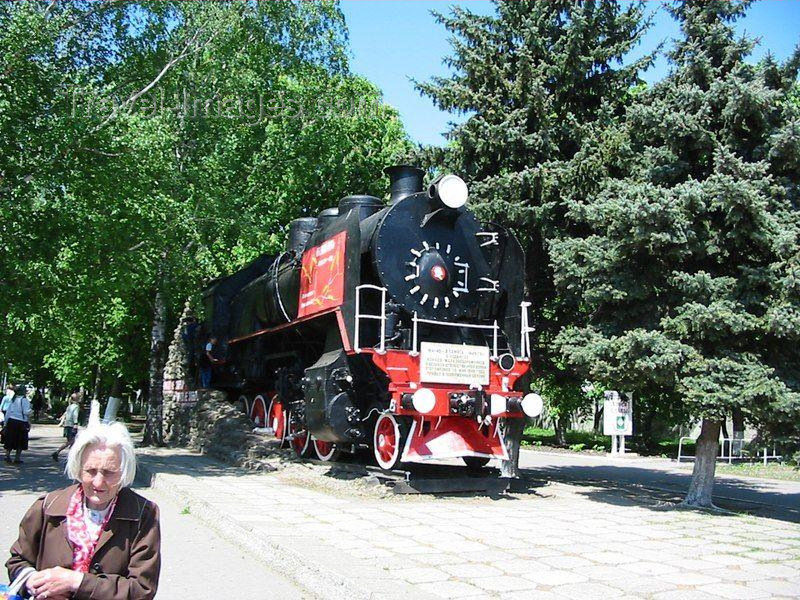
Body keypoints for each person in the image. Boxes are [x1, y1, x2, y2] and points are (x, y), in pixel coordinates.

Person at [7, 421, 161, 600]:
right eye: (91, 471)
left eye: (109, 472)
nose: (98, 482)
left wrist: (77, 582)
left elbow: (142, 589)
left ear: (124, 472)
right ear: (78, 469)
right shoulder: (47, 506)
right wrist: (36, 582)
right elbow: (17, 561)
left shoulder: (143, 514)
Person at [2, 384, 31, 464]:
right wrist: (30, 412)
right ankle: (17, 458)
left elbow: (8, 412)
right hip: (21, 422)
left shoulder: (13, 399)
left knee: (10, 439)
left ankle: (7, 454)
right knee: (20, 441)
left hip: (12, 422)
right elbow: (26, 412)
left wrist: (5, 423)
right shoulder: (24, 400)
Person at [51, 394, 81, 461]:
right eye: (79, 398)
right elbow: (75, 415)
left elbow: (66, 415)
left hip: (67, 425)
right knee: (71, 441)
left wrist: (62, 422)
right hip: (72, 425)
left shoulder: (69, 406)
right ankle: (57, 452)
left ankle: (71, 457)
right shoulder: (76, 407)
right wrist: (75, 424)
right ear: (76, 399)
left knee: (72, 442)